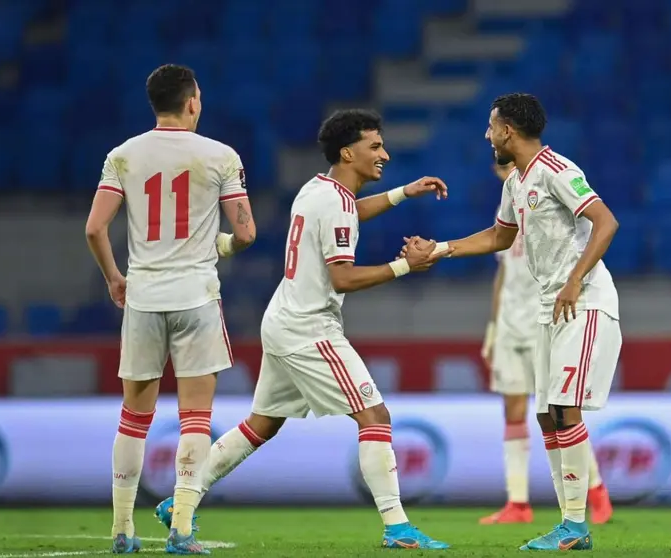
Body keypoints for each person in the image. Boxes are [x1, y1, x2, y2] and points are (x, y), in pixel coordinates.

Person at [154, 109, 452, 549]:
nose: (384, 153)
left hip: (283, 319)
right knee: (376, 417)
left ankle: (181, 501)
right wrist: (408, 264)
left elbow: (350, 214)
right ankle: (397, 527)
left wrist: (403, 193)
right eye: (375, 146)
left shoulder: (320, 189)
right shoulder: (334, 202)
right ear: (348, 152)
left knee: (262, 424)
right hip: (309, 327)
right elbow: (343, 278)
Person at [401, 93, 620, 551]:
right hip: (549, 307)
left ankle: (577, 527)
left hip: (584, 303)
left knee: (566, 410)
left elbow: (605, 222)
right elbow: (500, 236)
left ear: (508, 131)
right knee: (546, 415)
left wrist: (576, 280)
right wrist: (439, 249)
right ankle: (569, 523)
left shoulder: (558, 171)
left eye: (490, 126)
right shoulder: (516, 182)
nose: (486, 135)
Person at [85, 64, 256, 555]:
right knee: (195, 419)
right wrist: (218, 246)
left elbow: (95, 229)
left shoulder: (123, 156)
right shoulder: (220, 156)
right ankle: (180, 529)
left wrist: (115, 278)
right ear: (193, 102)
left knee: (133, 417)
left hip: (143, 295)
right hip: (196, 298)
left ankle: (121, 530)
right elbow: (245, 233)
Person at [478, 158, 613, 526]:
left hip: (549, 313)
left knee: (562, 410)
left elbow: (599, 223)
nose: (507, 172)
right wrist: (493, 326)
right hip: (510, 323)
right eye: (501, 169)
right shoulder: (507, 207)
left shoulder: (550, 192)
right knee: (519, 411)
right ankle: (518, 502)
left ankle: (595, 490)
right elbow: (502, 274)